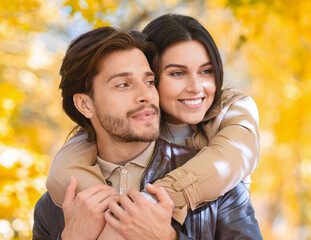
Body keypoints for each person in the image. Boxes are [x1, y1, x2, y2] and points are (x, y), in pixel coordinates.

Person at [32, 26, 262, 239]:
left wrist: (168, 237)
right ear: (85, 105)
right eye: (123, 85)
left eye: (149, 81)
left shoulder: (220, 186)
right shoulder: (55, 205)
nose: (146, 95)